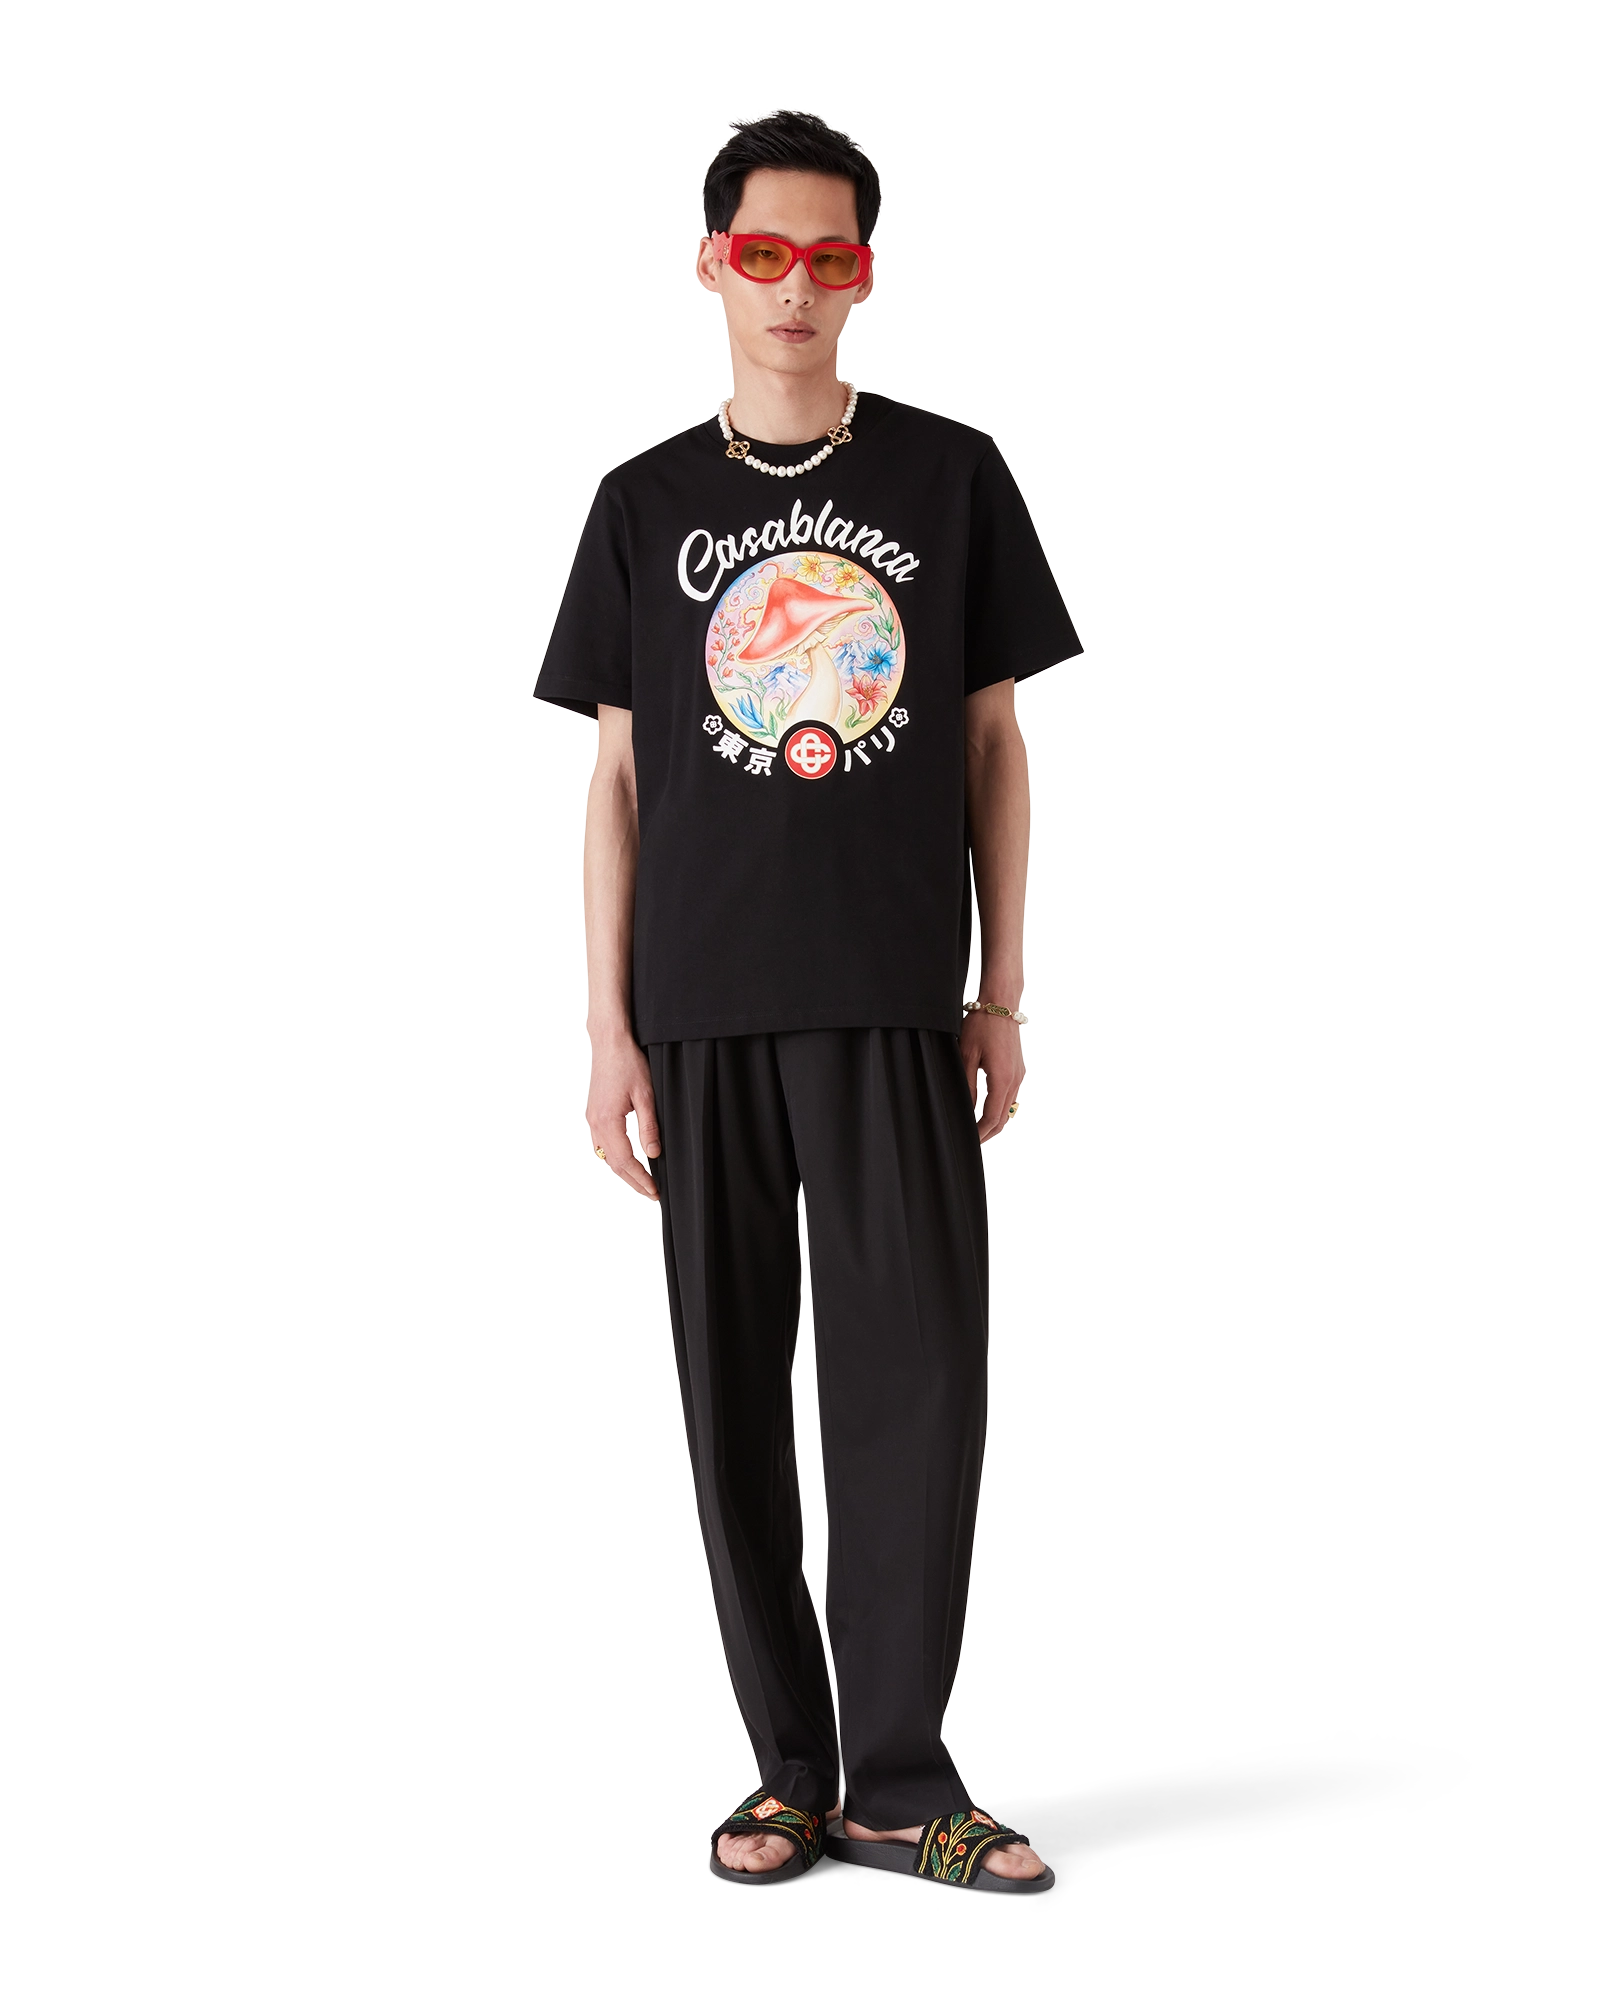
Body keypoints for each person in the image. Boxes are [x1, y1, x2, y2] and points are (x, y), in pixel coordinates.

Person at [529, 109, 1081, 1891]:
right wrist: (607, 1032)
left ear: (866, 274)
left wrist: (1002, 989)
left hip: (897, 997)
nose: (793, 288)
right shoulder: (640, 505)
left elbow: (992, 745)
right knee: (735, 1399)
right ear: (711, 263)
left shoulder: (951, 475)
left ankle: (900, 1784)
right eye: (762, 253)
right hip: (698, 1007)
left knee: (915, 1389)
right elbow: (617, 787)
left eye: (828, 258)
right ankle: (787, 1769)